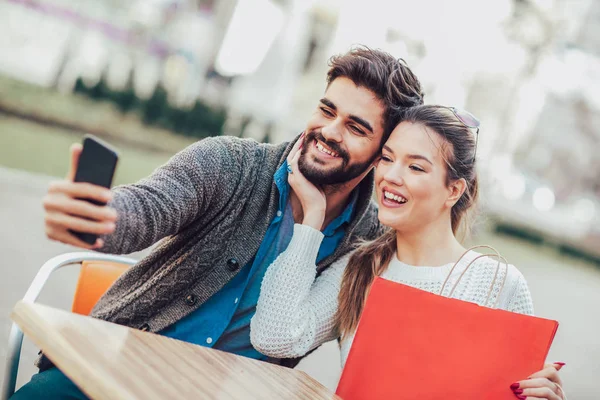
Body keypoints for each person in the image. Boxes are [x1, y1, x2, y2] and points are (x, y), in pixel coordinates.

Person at [11, 47, 424, 398]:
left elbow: (366, 355)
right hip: (114, 361)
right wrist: (99, 217)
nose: (329, 132)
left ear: (382, 152)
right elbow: (149, 207)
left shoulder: (370, 238)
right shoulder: (229, 163)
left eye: (355, 127)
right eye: (326, 110)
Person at [250, 105, 567, 400]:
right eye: (387, 159)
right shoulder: (361, 269)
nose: (391, 176)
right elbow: (273, 337)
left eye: (415, 166)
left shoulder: (500, 284)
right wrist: (312, 220)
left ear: (453, 190)